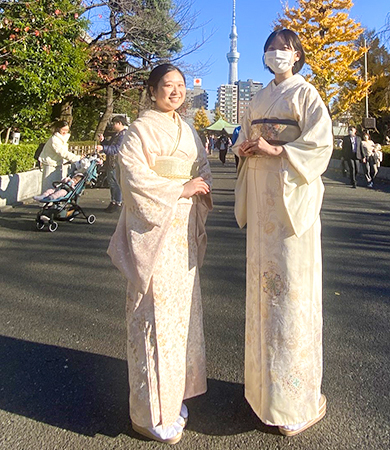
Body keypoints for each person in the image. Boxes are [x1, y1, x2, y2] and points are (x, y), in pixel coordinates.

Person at [233, 29, 333, 436]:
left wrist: (279, 150)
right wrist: (244, 147)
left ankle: (295, 400)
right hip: (262, 196)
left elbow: (321, 145)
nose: (277, 53)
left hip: (291, 198)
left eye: (285, 48)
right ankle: (264, 395)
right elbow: (244, 134)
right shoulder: (256, 99)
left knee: (291, 289)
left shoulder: (307, 94)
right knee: (264, 290)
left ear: (297, 55)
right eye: (271, 47)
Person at [107, 63, 212, 444]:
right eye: (167, 85)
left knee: (178, 317)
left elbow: (202, 167)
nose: (176, 91)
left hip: (182, 231)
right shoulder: (140, 129)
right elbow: (133, 175)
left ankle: (173, 398)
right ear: (152, 91)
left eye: (181, 85)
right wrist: (179, 190)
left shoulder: (188, 130)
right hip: (155, 231)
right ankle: (151, 412)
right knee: (152, 314)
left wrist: (199, 185)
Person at [96, 115, 127, 213]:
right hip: (111, 162)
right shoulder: (117, 134)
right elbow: (110, 146)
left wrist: (103, 148)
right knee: (111, 182)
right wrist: (103, 141)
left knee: (116, 183)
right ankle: (113, 201)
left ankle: (118, 202)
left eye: (114, 123)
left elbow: (117, 149)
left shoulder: (124, 135)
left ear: (119, 123)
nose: (113, 125)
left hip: (116, 162)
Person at [39, 120, 80, 192]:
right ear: (58, 129)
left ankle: (54, 201)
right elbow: (62, 152)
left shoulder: (63, 138)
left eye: (67, 130)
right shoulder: (54, 139)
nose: (65, 132)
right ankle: (46, 201)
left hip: (58, 164)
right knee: (48, 187)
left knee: (56, 186)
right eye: (63, 130)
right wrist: (76, 158)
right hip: (50, 164)